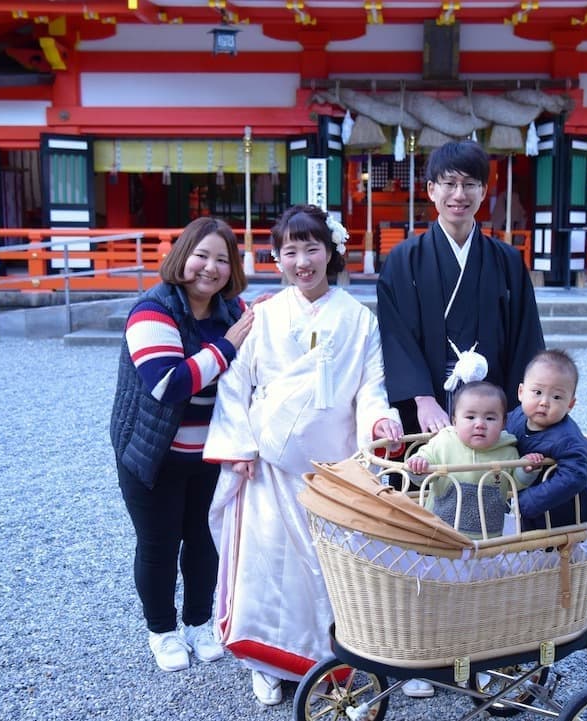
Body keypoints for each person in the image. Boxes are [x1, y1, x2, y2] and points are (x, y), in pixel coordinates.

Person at [203, 205, 404, 706]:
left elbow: (371, 385)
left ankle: (332, 657)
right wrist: (240, 446)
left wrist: (379, 424)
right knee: (268, 565)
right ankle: (265, 660)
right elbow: (235, 383)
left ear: (332, 252)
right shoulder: (264, 315)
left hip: (332, 468)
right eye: (290, 251)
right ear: (276, 258)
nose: (302, 261)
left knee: (327, 568)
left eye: (312, 248)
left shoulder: (359, 320)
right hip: (269, 469)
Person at [109, 217, 255, 673]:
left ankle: (197, 622)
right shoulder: (152, 310)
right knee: (158, 544)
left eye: (222, 260)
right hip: (153, 453)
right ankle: (162, 631)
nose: (210, 268)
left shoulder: (232, 311)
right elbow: (168, 384)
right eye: (202, 255)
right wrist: (228, 347)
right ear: (182, 257)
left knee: (204, 542)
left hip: (209, 454)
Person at [376, 140, 545, 438]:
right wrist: (422, 398)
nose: (459, 194)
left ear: (483, 191)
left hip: (493, 409)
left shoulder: (507, 261)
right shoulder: (403, 260)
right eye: (449, 183)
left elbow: (526, 338)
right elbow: (395, 336)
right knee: (425, 477)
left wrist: (518, 407)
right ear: (431, 190)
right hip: (427, 407)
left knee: (491, 480)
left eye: (469, 184)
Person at [405, 381, 543, 539]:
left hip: (487, 536)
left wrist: (526, 468)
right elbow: (422, 468)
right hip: (440, 532)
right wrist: (418, 465)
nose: (480, 424)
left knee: (486, 562)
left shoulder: (507, 450)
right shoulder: (443, 442)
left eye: (490, 418)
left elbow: (515, 482)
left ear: (503, 423)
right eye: (470, 417)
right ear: (455, 421)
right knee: (439, 561)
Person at [507, 350, 587, 531]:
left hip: (557, 517)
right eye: (537, 392)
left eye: (556, 397)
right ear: (521, 392)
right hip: (522, 509)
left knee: (544, 554)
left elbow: (575, 474)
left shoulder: (566, 438)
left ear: (570, 405)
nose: (544, 402)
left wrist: (528, 501)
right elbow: (501, 431)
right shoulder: (516, 416)